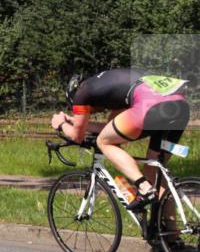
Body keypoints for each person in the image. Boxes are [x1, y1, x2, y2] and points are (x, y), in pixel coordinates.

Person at [51, 70, 190, 216]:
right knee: (154, 171)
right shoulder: (111, 86)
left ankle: (144, 188)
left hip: (151, 106)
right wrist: (75, 122)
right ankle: (169, 230)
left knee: (103, 142)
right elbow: (111, 129)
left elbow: (77, 137)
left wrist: (61, 124)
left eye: (89, 112)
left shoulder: (82, 93)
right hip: (179, 106)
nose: (92, 113)